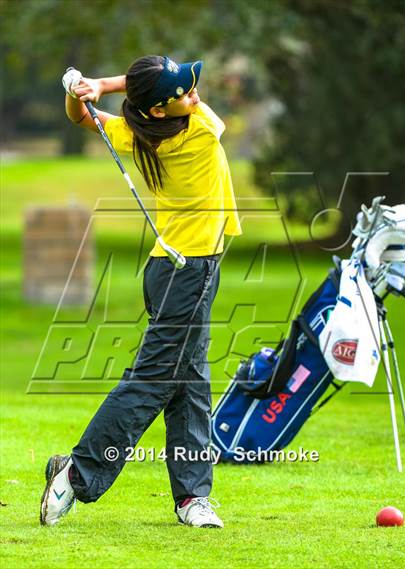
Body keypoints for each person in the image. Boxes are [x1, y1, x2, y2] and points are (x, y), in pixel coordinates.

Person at [40, 55, 242, 529]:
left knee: (190, 382)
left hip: (166, 267)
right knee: (154, 378)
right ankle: (79, 471)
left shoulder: (140, 132)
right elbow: (138, 93)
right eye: (183, 91)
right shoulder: (200, 126)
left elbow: (85, 116)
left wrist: (82, 91)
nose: (194, 92)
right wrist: (101, 86)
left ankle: (192, 496)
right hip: (189, 270)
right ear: (159, 110)